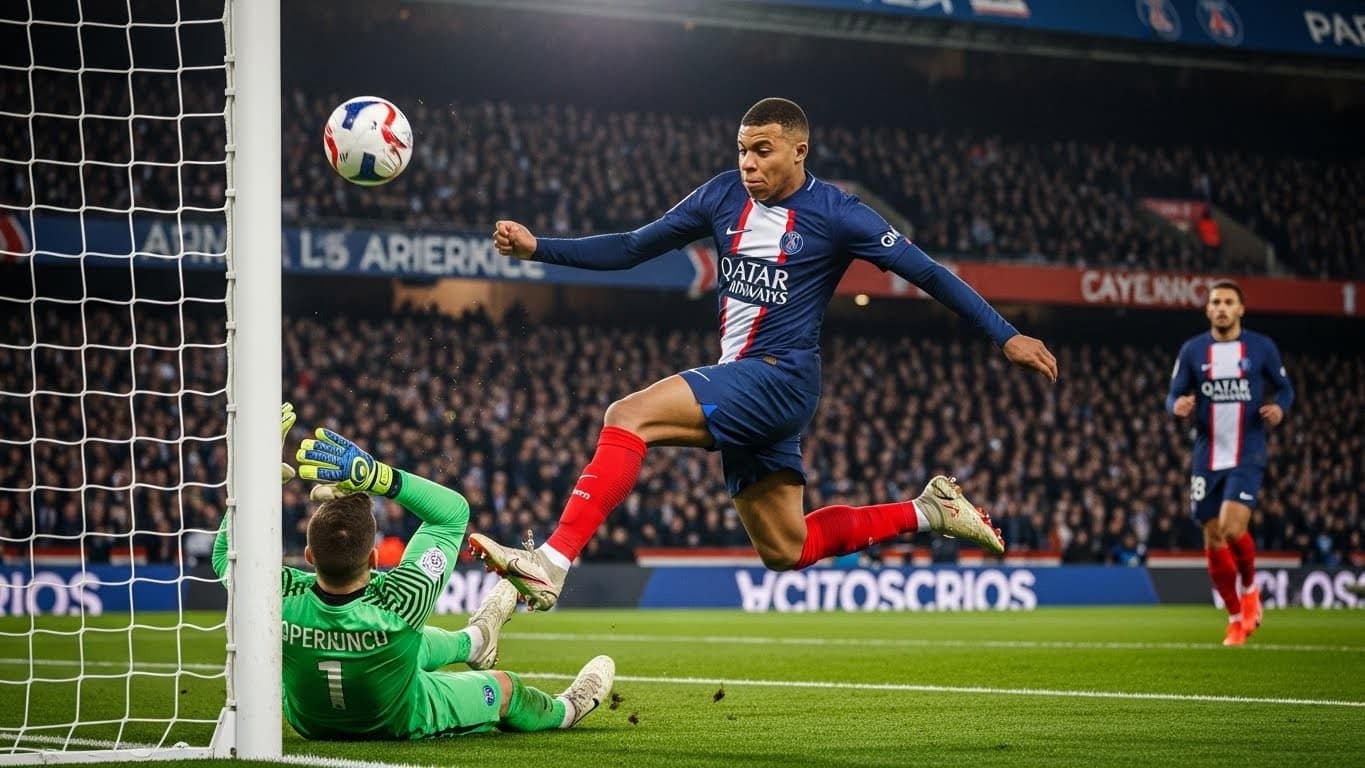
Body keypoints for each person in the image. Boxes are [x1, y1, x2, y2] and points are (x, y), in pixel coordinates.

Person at [469, 97, 1059, 611]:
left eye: (763, 150)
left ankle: (552, 561)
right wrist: (538, 247)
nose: (748, 163)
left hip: (781, 378)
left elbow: (928, 273)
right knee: (786, 548)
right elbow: (630, 247)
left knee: (627, 416)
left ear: (800, 151)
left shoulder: (838, 214)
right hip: (748, 381)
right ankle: (930, 512)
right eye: (742, 150)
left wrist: (1005, 333)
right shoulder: (722, 195)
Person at [211, 403, 615, 740]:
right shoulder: (401, 600)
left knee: (408, 647)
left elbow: (224, 556)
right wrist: (377, 477)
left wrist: (257, 480)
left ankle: (476, 641)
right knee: (504, 688)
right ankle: (566, 709)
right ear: (373, 558)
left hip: (311, 723)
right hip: (396, 718)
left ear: (308, 557)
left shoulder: (278, 596)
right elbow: (452, 513)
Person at [1166, 282, 1293, 646]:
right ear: (1207, 310)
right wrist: (1176, 405)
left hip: (1246, 451)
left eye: (1228, 302)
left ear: (1240, 309)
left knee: (1232, 527)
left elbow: (1285, 388)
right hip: (1207, 455)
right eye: (1216, 302)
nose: (1221, 308)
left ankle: (1251, 589)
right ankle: (1236, 616)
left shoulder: (1261, 347)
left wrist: (1280, 408)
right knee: (1212, 535)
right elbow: (1173, 393)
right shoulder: (1193, 350)